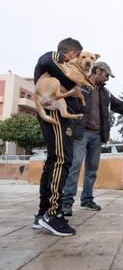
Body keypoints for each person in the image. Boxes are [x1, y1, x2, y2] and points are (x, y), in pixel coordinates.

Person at [61, 62, 123, 216]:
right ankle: (66, 202)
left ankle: (87, 200)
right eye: (106, 75)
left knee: (92, 170)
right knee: (74, 166)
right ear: (98, 71)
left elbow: (120, 106)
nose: (107, 79)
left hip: (96, 135)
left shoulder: (105, 93)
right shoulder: (80, 86)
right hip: (80, 134)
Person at [33, 37, 83, 236]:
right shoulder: (57, 58)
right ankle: (53, 215)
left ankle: (43, 213)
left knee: (53, 161)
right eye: (77, 56)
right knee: (62, 160)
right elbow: (47, 59)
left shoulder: (59, 71)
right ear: (71, 53)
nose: (77, 61)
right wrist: (74, 82)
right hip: (55, 111)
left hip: (57, 112)